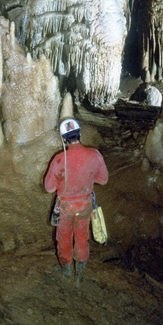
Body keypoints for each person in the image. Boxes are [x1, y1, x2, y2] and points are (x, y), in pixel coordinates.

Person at [44, 117, 108, 282]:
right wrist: (87, 178)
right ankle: (80, 273)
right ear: (79, 134)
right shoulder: (94, 155)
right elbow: (103, 180)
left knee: (64, 237)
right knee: (82, 236)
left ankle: (66, 271)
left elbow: (49, 188)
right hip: (85, 204)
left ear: (64, 139)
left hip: (65, 206)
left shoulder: (59, 159)